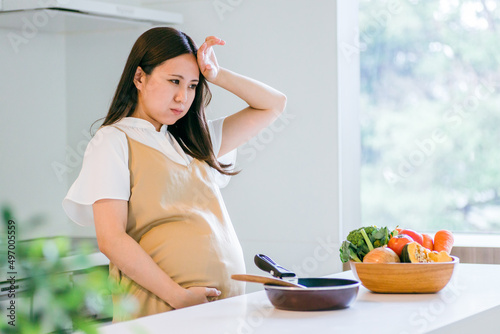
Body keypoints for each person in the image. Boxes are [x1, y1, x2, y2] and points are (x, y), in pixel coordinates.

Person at [62, 27, 286, 322]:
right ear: (140, 77)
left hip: (221, 310)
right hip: (162, 309)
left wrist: (216, 74)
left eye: (193, 85)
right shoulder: (114, 140)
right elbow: (111, 239)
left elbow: (273, 104)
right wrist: (178, 297)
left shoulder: (194, 140)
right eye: (174, 81)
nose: (183, 96)